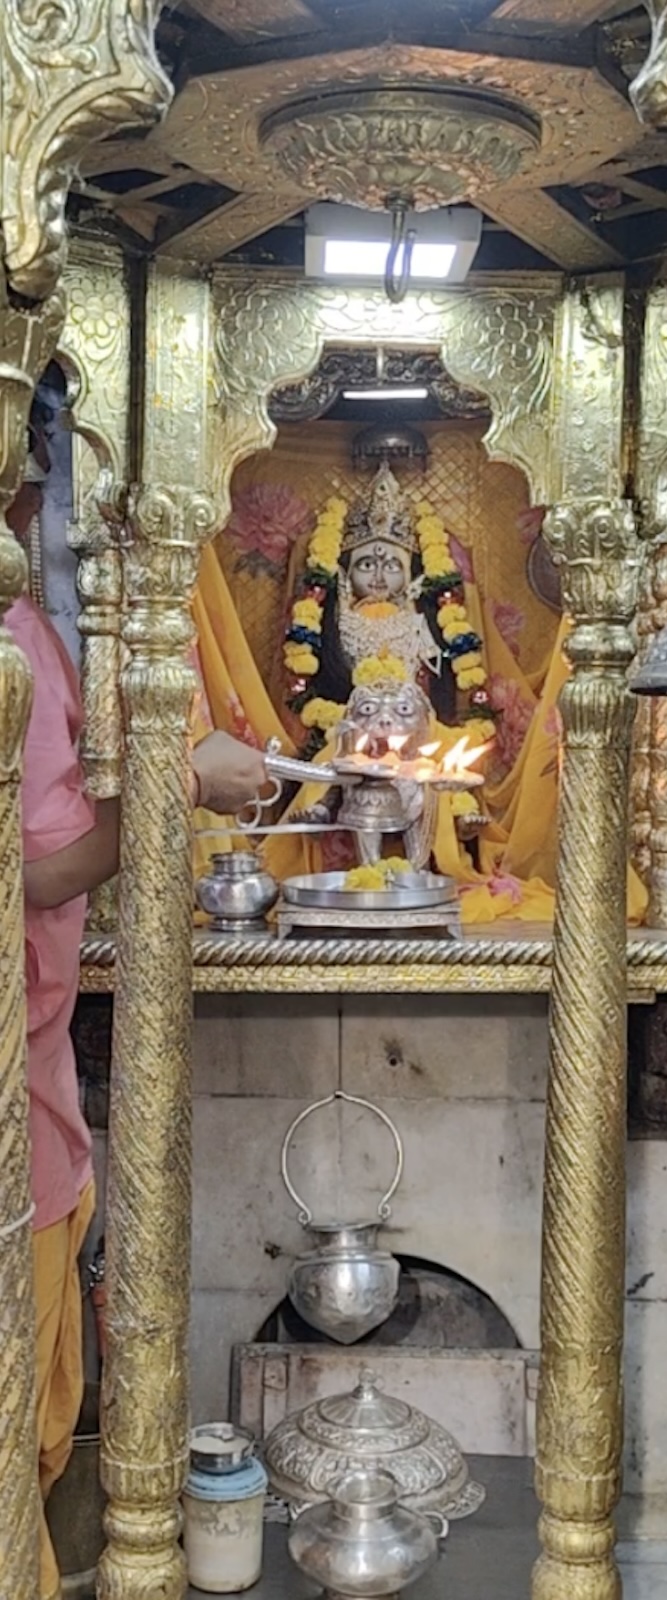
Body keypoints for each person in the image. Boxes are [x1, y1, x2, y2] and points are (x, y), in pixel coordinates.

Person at [6, 452, 266, 1600]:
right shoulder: (15, 639)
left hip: (38, 1075)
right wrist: (180, 777)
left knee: (45, 1421)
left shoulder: (27, 626)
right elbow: (44, 867)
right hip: (16, 1098)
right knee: (27, 1430)